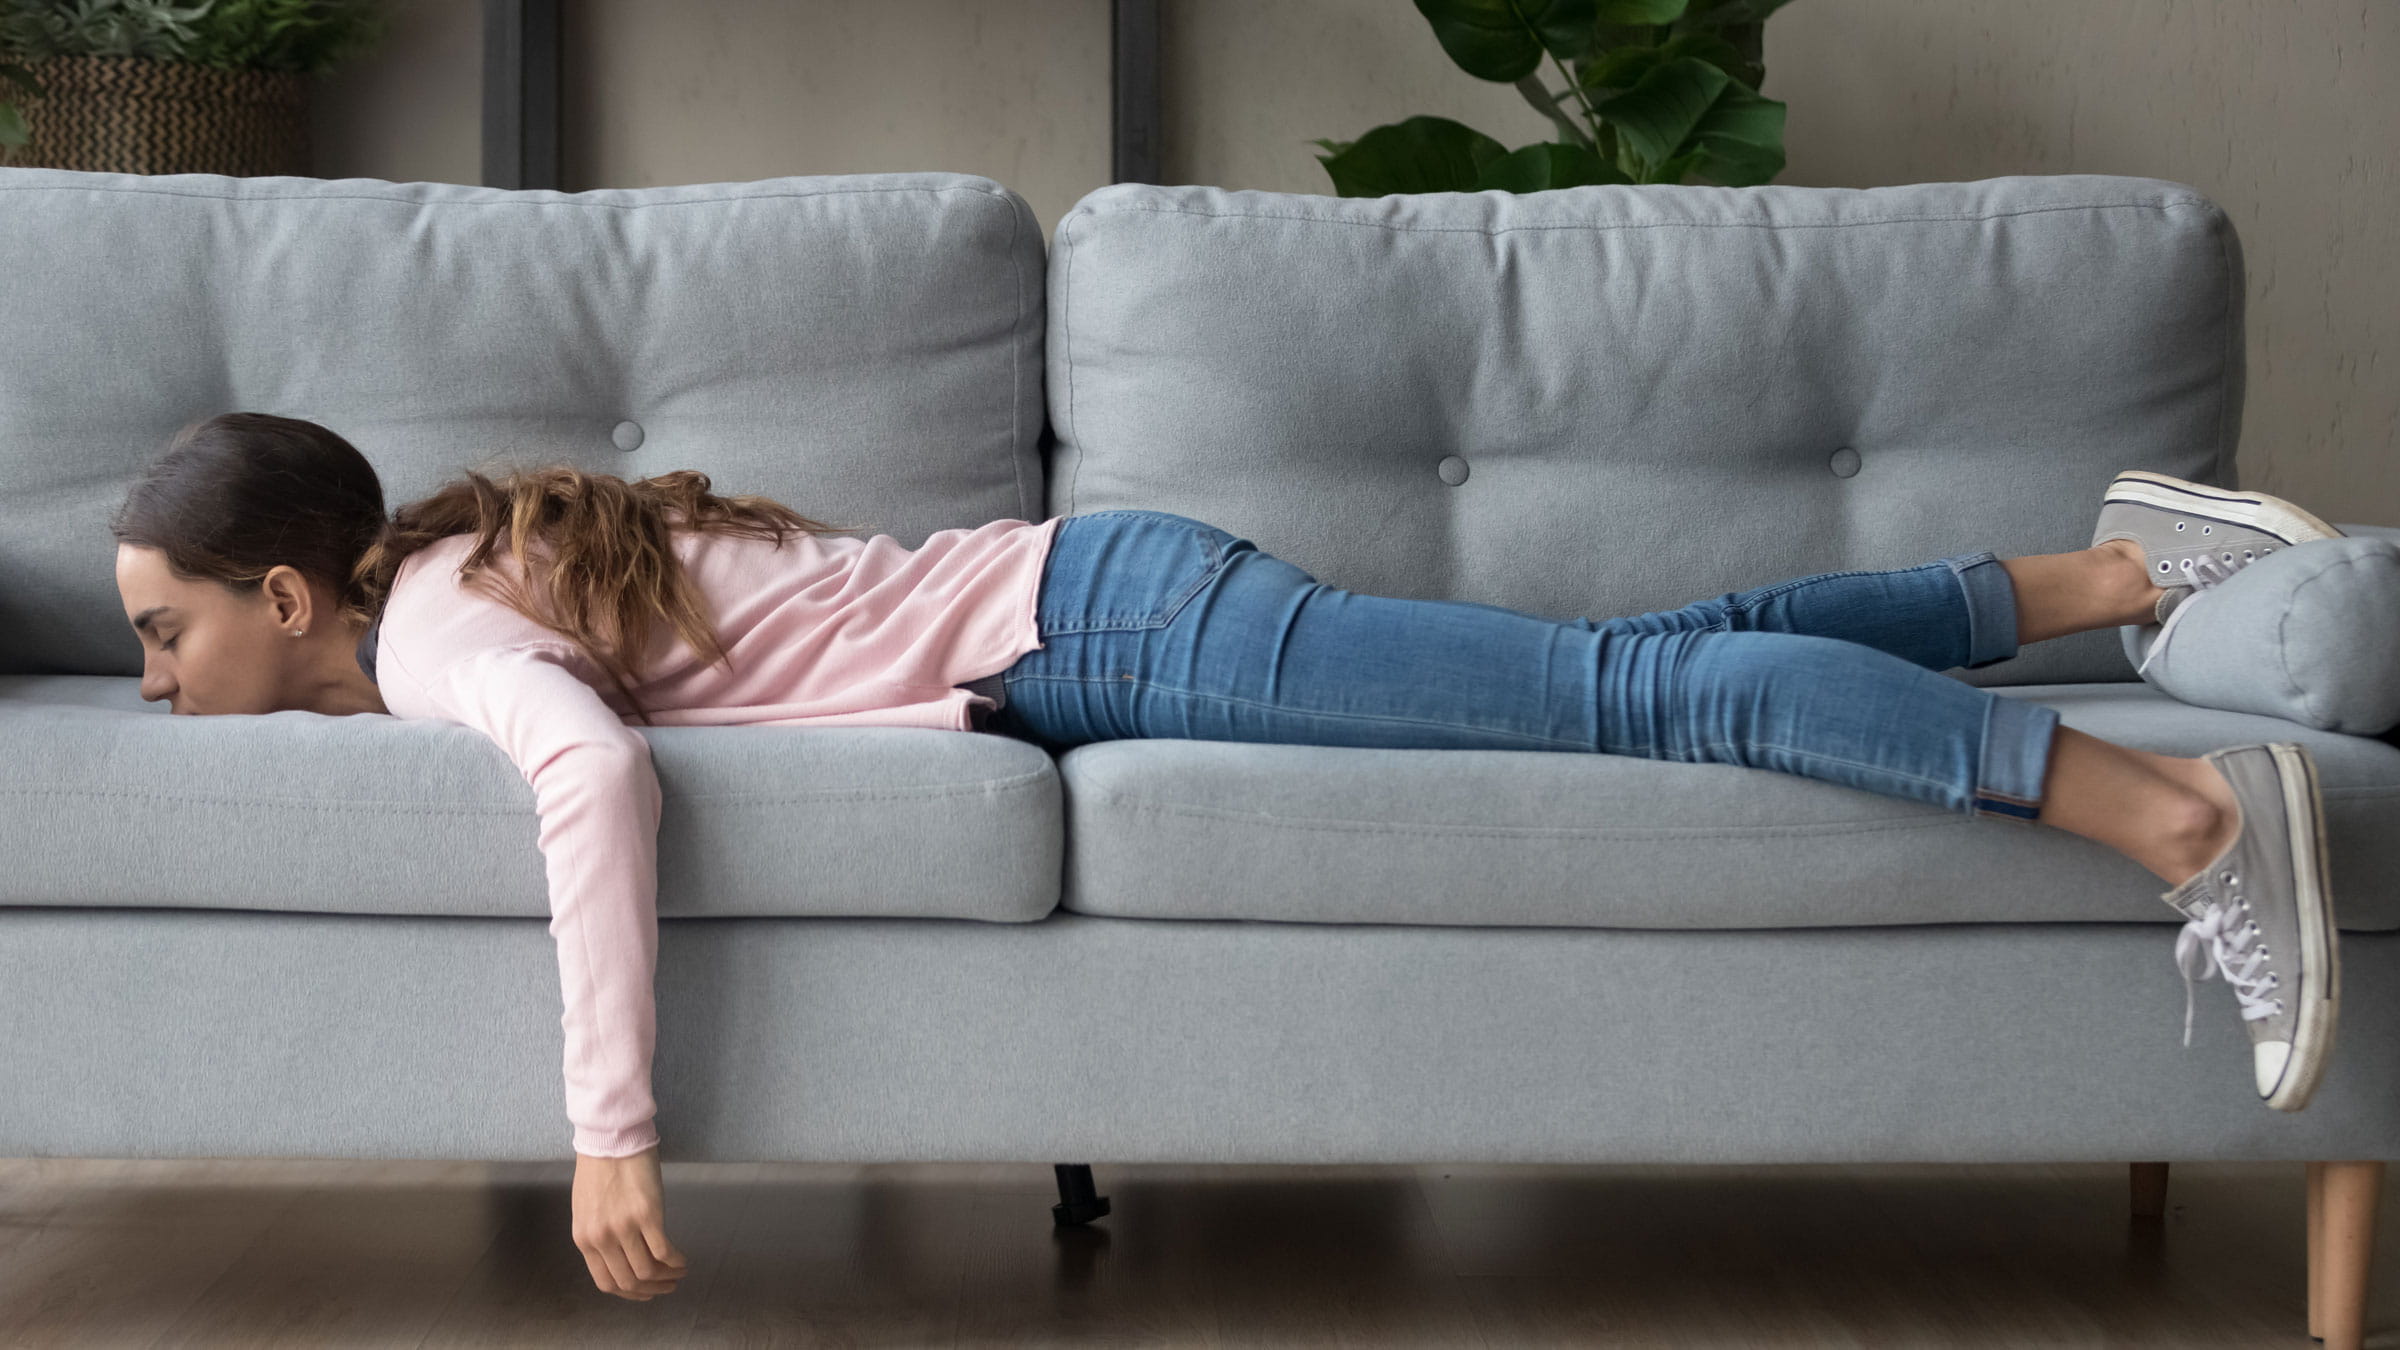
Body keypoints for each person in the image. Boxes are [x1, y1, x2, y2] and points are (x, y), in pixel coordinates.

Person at [111, 412, 2343, 1301]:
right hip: (1104, 609)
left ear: (289, 598)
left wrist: (612, 1134)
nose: (148, 678)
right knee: (1614, 659)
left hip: (1109, 624)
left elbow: (592, 784)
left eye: (163, 632)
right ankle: (2108, 582)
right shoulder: (436, 583)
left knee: (1630, 705)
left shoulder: (425, 641)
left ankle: (2187, 818)